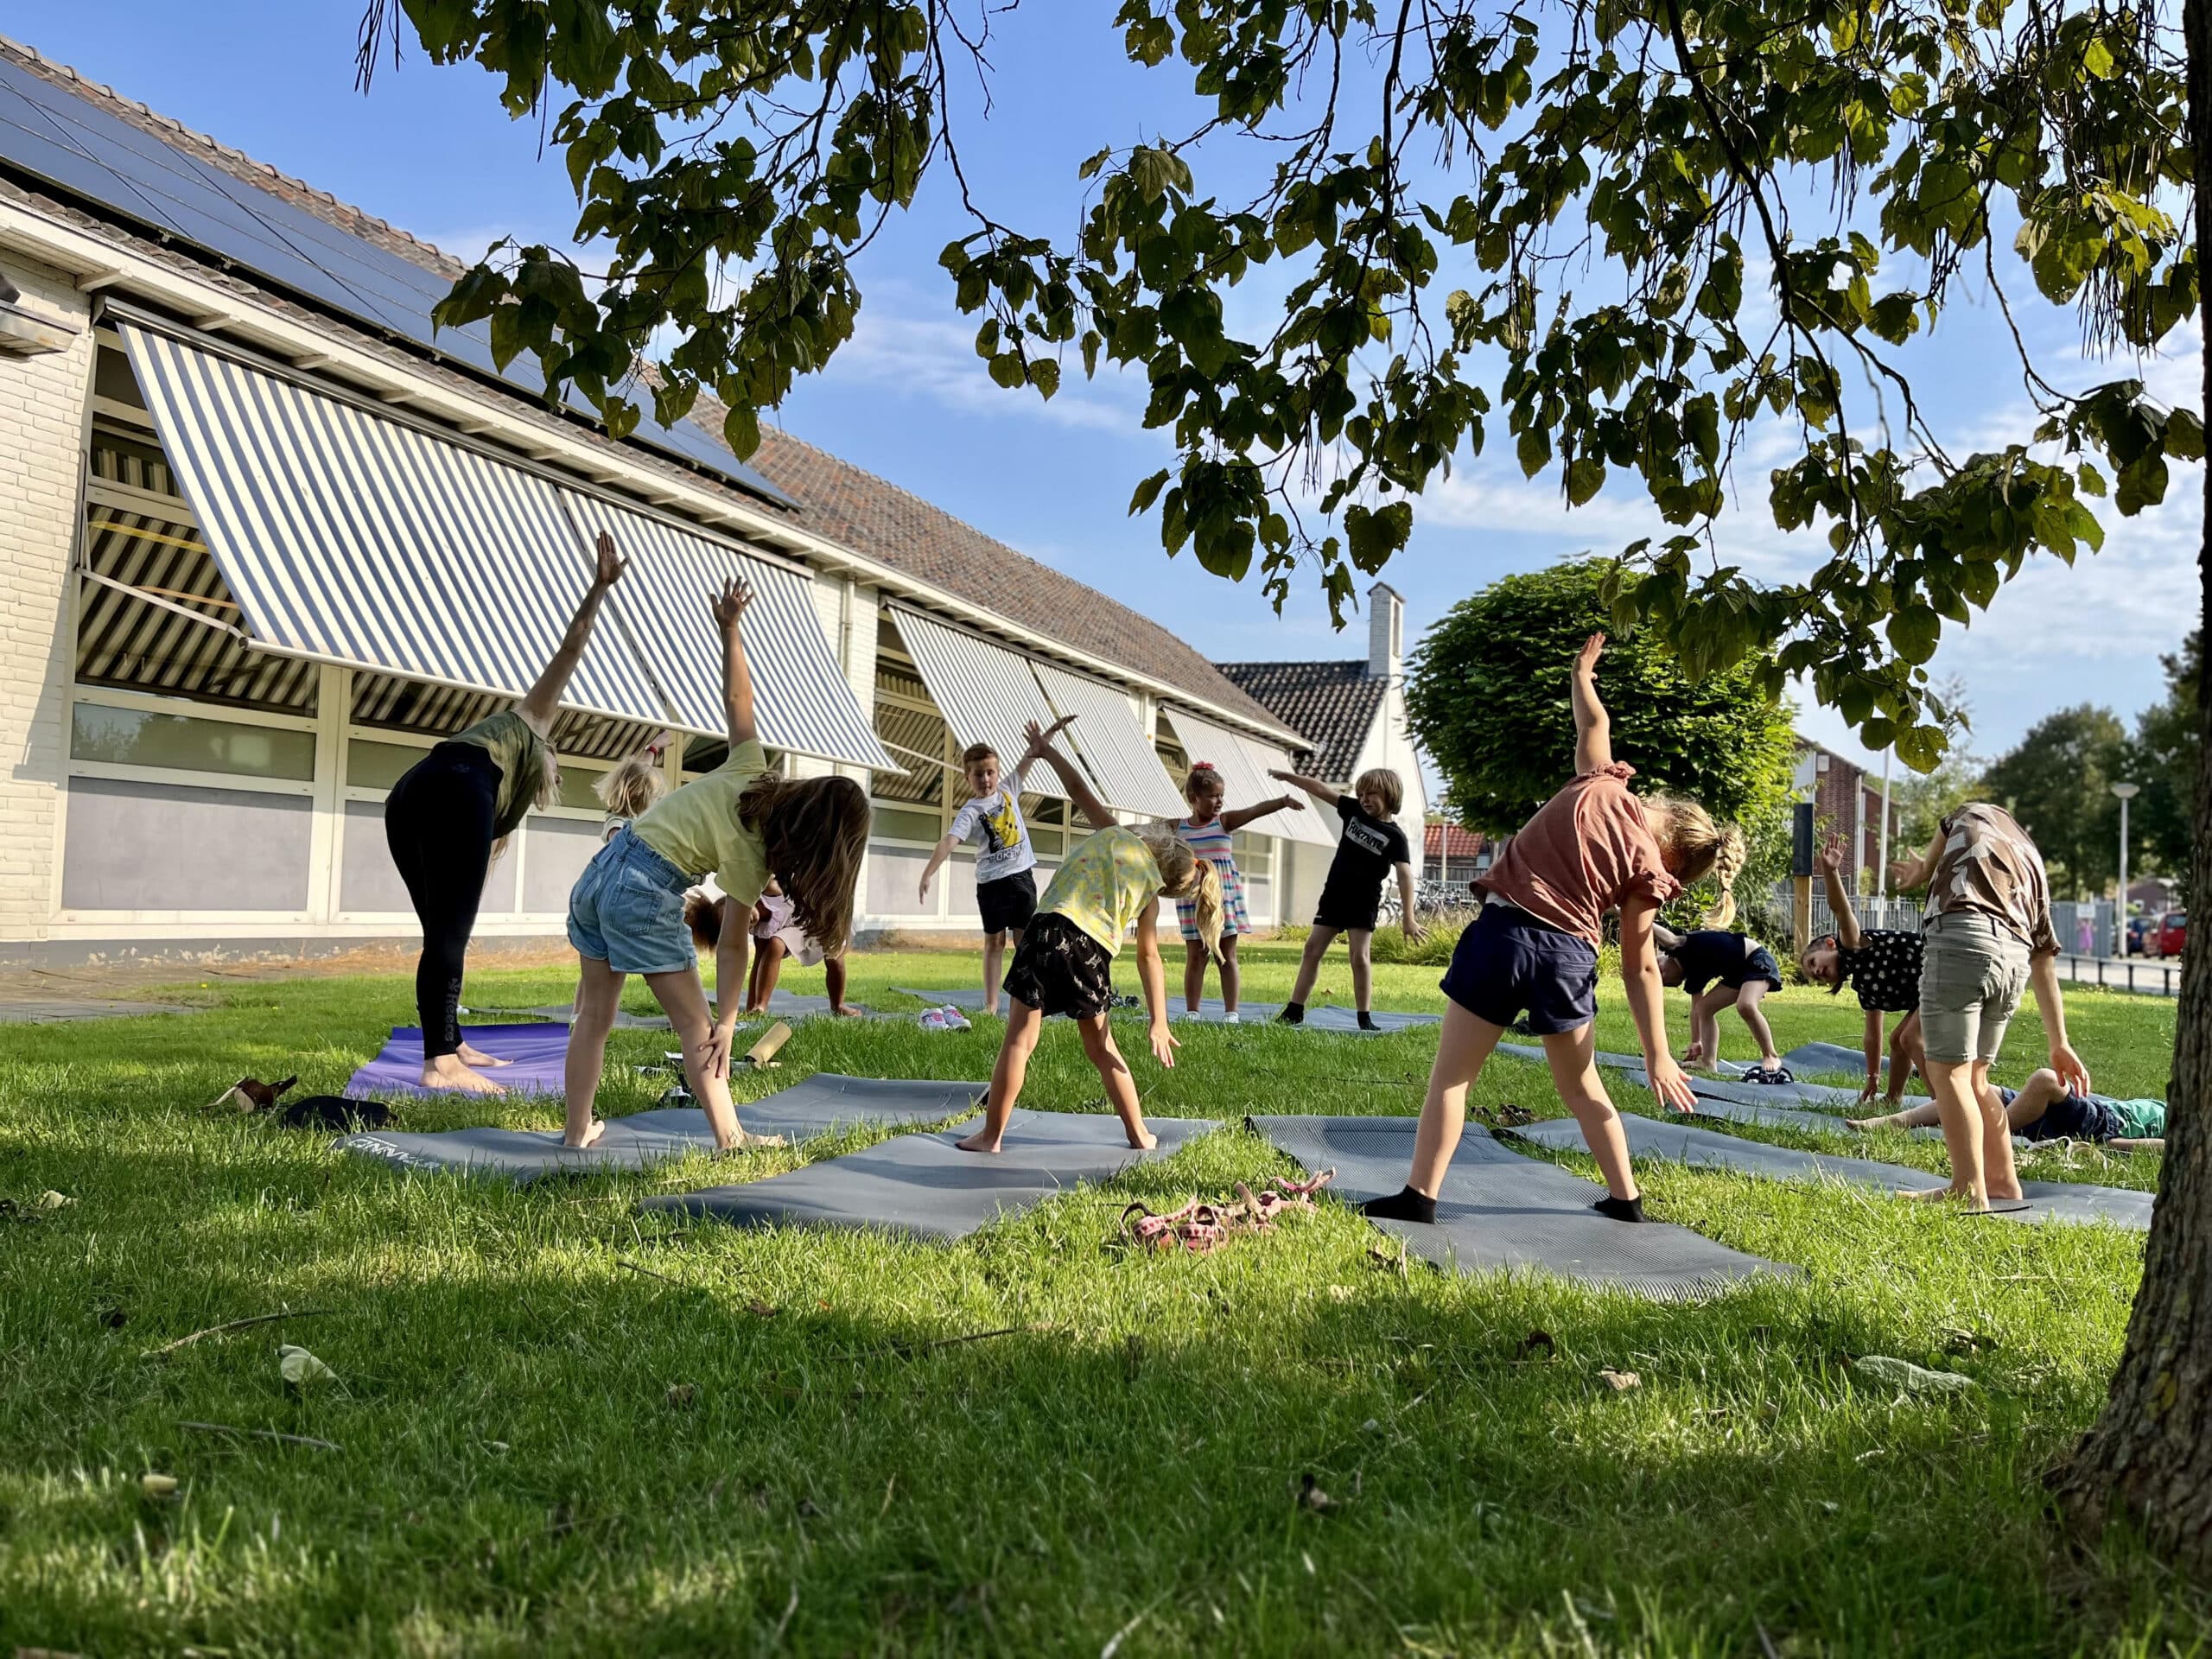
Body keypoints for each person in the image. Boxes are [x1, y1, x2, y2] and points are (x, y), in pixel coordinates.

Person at [1363, 633, 1740, 1226]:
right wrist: (1657, 1056)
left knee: (1453, 1078)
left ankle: (1420, 1197)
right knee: (1583, 1087)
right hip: (1566, 958)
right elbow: (1640, 965)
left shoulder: (1600, 780)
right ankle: (1625, 1200)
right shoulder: (1649, 869)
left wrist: (1582, 673)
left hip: (1505, 936)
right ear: (1678, 860)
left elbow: (1593, 720)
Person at [562, 578, 870, 1151]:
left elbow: (739, 704)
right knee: (695, 1026)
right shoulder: (755, 856)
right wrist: (727, 1022)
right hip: (640, 889)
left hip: (602, 870)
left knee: (596, 1016)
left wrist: (730, 628)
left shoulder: (751, 769)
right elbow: (733, 944)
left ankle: (577, 1130)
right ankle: (731, 1137)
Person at [383, 530, 628, 1095]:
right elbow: (571, 649)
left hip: (407, 795)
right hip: (449, 785)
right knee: (448, 934)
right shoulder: (527, 728)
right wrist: (599, 588)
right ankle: (441, 1064)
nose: (556, 777)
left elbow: (477, 869)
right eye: (557, 770)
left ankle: (450, 1041)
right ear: (547, 755)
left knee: (442, 933)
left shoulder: (504, 802)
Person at [955, 721, 1223, 1154]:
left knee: (1019, 1039)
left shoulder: (1114, 831)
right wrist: (1158, 1020)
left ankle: (991, 1137)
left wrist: (1046, 750)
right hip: (1086, 949)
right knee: (1100, 1047)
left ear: (1157, 839)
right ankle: (1139, 1135)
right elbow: (1149, 958)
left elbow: (1078, 788)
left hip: (1043, 930)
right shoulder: (1150, 893)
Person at [1887, 802, 2089, 1207]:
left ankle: (1968, 1189)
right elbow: (2043, 956)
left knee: (1950, 1073)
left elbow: (1945, 830)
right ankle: (2001, 1183)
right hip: (2012, 959)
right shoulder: (2030, 858)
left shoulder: (1972, 813)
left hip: (1962, 937)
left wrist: (1922, 871)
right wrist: (2059, 1042)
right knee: (1977, 1077)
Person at [917, 721, 1075, 1017]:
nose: (986, 779)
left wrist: (1049, 734)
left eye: (990, 772)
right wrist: (928, 872)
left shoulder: (1009, 789)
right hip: (991, 885)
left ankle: (1032, 996)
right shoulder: (971, 811)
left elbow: (1031, 755)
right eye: (978, 774)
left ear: (998, 773)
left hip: (1021, 878)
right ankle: (991, 1004)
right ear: (968, 778)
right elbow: (949, 841)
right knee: (994, 943)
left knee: (1024, 942)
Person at [1268, 764, 1422, 1029]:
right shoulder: (1352, 811)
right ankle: (1294, 1010)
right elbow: (1320, 788)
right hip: (1334, 896)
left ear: (1389, 795)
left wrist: (1409, 918)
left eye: (1371, 794)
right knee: (1311, 950)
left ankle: (1364, 1017)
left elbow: (1405, 876)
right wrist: (1288, 776)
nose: (1364, 799)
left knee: (1359, 958)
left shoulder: (1395, 837)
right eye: (1361, 794)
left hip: (1363, 902)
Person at [1171, 760, 1304, 1021]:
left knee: (1226, 956)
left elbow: (1254, 810)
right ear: (1193, 798)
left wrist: (1282, 801)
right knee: (1196, 957)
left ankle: (1231, 1012)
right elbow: (1148, 835)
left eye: (1222, 795)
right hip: (1193, 901)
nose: (1219, 801)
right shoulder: (1179, 828)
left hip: (1223, 900)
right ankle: (1192, 1011)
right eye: (1212, 796)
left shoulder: (1224, 822)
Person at [1799, 843, 1926, 1108]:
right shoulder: (1865, 986)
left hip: (1942, 972)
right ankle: (1893, 1099)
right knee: (1898, 1040)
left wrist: (1831, 871)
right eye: (1815, 976)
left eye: (1813, 962)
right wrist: (1872, 1076)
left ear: (1829, 944)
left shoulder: (1854, 944)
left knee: (1909, 1038)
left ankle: (1946, 1103)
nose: (1817, 972)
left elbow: (1841, 910)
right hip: (1928, 991)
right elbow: (1873, 1035)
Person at [1847, 1068, 2165, 1150]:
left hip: (2103, 1125)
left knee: (2045, 1079)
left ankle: (1983, 1142)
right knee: (1975, 1090)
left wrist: (2110, 1145)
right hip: (2090, 1111)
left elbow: (2165, 1147)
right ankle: (1889, 1122)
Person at [684, 886, 861, 1019]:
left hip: (820, 913)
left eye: (742, 915)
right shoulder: (762, 932)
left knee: (835, 958)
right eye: (740, 926)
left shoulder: (768, 890)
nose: (747, 922)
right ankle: (761, 1005)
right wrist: (751, 1006)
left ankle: (838, 1004)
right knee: (776, 944)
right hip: (798, 929)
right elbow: (758, 966)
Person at [1654, 925, 1786, 1079]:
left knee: (1746, 1005)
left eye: (1659, 967)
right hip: (1735, 975)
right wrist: (1697, 1041)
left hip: (1755, 960)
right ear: (1677, 980)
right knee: (1704, 1008)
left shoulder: (1681, 946)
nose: (1660, 971)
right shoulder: (1694, 975)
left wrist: (1624, 912)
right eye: (1662, 977)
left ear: (1664, 955)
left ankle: (1771, 1055)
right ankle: (1708, 1062)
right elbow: (1696, 1009)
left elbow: (1660, 933)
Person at [594, 733, 671, 842]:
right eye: (654, 796)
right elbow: (620, 848)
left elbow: (642, 774)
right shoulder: (618, 824)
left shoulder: (634, 816)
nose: (656, 801)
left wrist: (654, 747)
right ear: (639, 797)